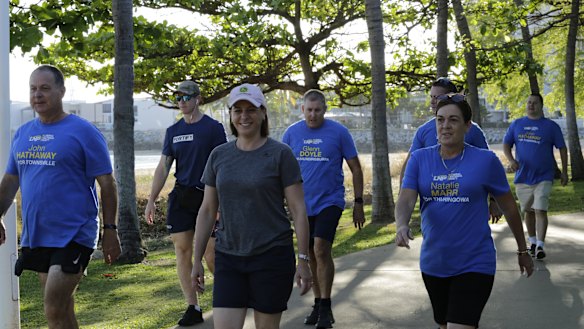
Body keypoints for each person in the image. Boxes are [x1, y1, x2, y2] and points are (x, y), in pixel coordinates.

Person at [395, 94, 534, 329]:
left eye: (453, 120)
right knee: (444, 324)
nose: (445, 126)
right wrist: (401, 224)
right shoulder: (419, 159)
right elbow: (406, 199)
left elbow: (509, 207)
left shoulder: (486, 160)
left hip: (475, 262)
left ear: (467, 126)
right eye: (440, 120)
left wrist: (522, 249)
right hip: (434, 263)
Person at [0, 64, 121, 329]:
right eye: (33, 89)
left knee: (53, 306)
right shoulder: (23, 134)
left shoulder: (83, 132)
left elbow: (107, 184)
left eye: (45, 88)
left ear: (61, 91)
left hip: (75, 233)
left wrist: (110, 229)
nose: (37, 95)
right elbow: (11, 180)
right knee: (63, 311)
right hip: (39, 233)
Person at [191, 83, 312, 329]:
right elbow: (206, 211)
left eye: (251, 109)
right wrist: (196, 261)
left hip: (272, 255)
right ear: (231, 115)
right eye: (238, 110)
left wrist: (303, 259)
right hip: (229, 256)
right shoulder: (219, 155)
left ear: (263, 113)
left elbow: (298, 210)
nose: (244, 116)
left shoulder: (281, 154)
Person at [145, 80, 227, 326]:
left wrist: (222, 203)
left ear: (198, 99)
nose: (182, 102)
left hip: (209, 197)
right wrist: (151, 199)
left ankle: (227, 299)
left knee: (211, 255)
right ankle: (193, 307)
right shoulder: (173, 131)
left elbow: (222, 166)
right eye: (178, 98)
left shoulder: (213, 128)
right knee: (182, 251)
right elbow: (163, 167)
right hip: (182, 197)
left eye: (186, 97)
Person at [282, 89, 365, 328]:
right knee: (309, 254)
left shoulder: (339, 132)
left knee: (320, 249)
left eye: (318, 110)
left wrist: (358, 202)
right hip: (301, 206)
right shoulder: (291, 134)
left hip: (330, 201)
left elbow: (356, 169)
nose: (313, 115)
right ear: (302, 109)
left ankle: (326, 308)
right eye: (309, 110)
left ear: (325, 110)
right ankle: (318, 303)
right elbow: (281, 171)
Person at [399, 77, 502, 222]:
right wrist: (403, 200)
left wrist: (494, 200)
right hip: (436, 213)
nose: (433, 101)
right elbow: (409, 166)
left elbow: (488, 168)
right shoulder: (423, 131)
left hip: (469, 209)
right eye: (431, 97)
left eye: (438, 97)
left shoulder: (472, 130)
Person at [503, 93, 568, 260]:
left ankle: (540, 245)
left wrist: (564, 172)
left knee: (540, 209)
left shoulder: (551, 126)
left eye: (535, 103)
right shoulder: (517, 124)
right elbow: (506, 144)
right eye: (529, 102)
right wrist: (511, 160)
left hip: (544, 176)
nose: (531, 105)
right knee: (528, 211)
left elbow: (562, 148)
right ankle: (532, 242)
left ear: (541, 105)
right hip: (523, 177)